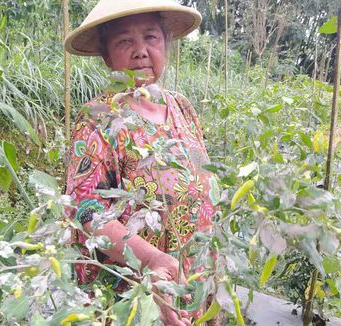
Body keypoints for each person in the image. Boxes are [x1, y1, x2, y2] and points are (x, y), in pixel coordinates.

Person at [64, 1, 221, 325]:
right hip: (133, 298)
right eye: (124, 41)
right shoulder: (98, 118)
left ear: (166, 44)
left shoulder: (182, 107)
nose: (140, 51)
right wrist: (150, 260)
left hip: (191, 283)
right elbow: (85, 210)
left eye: (151, 37)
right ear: (107, 56)